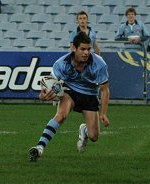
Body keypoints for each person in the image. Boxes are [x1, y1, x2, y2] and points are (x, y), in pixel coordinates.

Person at [29, 31, 110, 162]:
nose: (86, 53)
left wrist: (104, 113)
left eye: (88, 49)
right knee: (61, 115)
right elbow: (48, 84)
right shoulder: (61, 63)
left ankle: (84, 131)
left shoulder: (99, 64)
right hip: (70, 90)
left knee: (94, 136)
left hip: (89, 95)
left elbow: (105, 90)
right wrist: (42, 95)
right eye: (82, 49)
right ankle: (39, 147)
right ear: (73, 48)